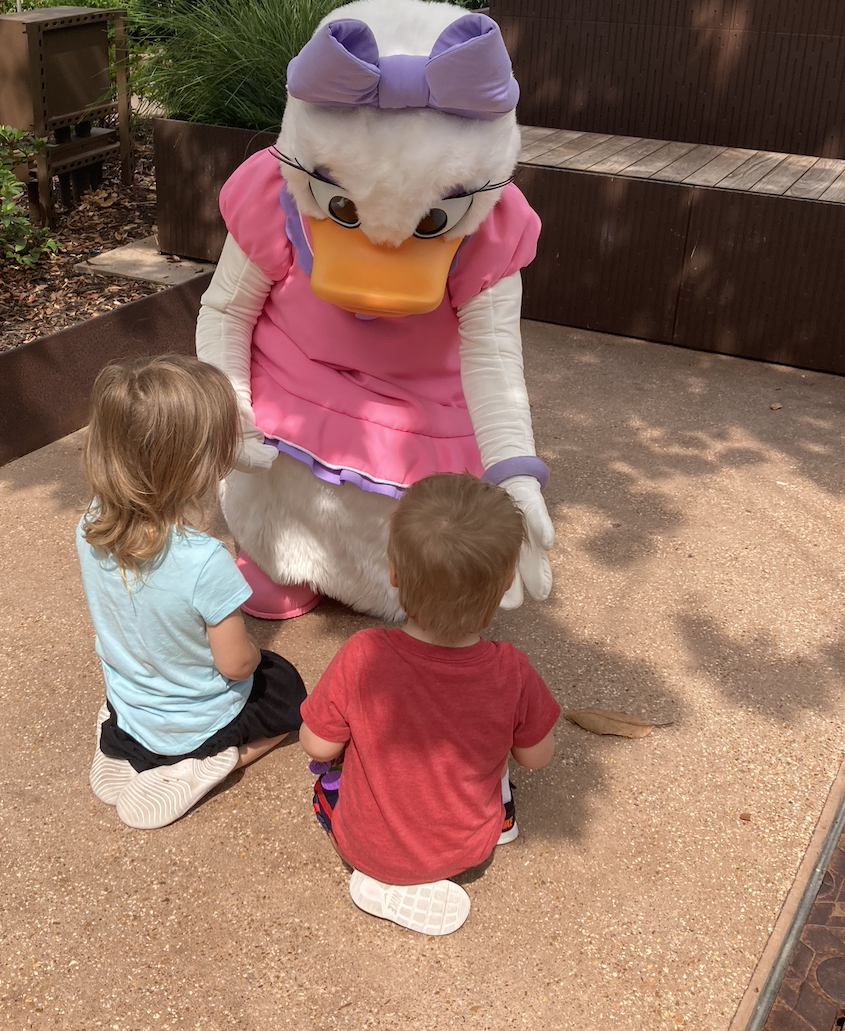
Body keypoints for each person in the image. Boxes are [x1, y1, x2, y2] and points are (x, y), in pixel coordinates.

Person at [300, 473, 560, 937]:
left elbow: (318, 745)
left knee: (328, 779)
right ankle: (481, 832)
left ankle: (384, 875)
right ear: (504, 588)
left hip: (365, 845)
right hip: (467, 849)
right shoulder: (511, 670)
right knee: (499, 766)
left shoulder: (362, 655)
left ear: (394, 573)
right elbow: (537, 758)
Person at [79, 355, 307, 830]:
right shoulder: (204, 560)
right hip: (192, 726)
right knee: (285, 688)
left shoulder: (89, 524)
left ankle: (120, 744)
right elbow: (236, 664)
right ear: (196, 466)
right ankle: (210, 762)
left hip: (130, 703)